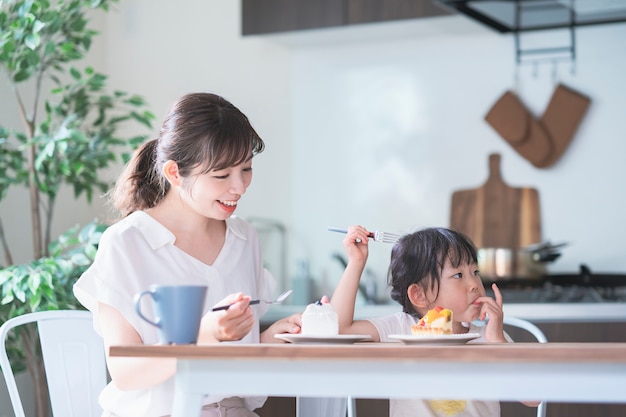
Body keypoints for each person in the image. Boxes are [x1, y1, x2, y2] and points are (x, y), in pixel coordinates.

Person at [73, 92, 301, 417]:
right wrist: (205, 334)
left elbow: (234, 358)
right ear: (175, 173)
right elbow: (126, 372)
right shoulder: (127, 243)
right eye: (221, 175)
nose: (239, 187)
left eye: (246, 169)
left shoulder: (244, 237)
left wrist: (267, 339)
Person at [330, 225, 539, 417]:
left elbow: (533, 397)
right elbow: (337, 330)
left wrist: (497, 341)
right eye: (458, 275)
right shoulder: (398, 330)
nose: (475, 284)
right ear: (419, 295)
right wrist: (356, 262)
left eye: (475, 272)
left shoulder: (490, 337)